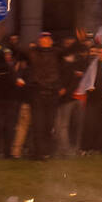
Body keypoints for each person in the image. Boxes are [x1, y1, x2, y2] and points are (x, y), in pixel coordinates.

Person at [27, 32, 65, 160]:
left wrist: (61, 86)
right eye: (42, 39)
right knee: (38, 125)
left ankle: (45, 151)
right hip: (38, 93)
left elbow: (65, 67)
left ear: (51, 41)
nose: (44, 41)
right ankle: (38, 153)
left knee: (48, 125)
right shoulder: (33, 53)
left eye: (47, 39)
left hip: (52, 93)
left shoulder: (57, 53)